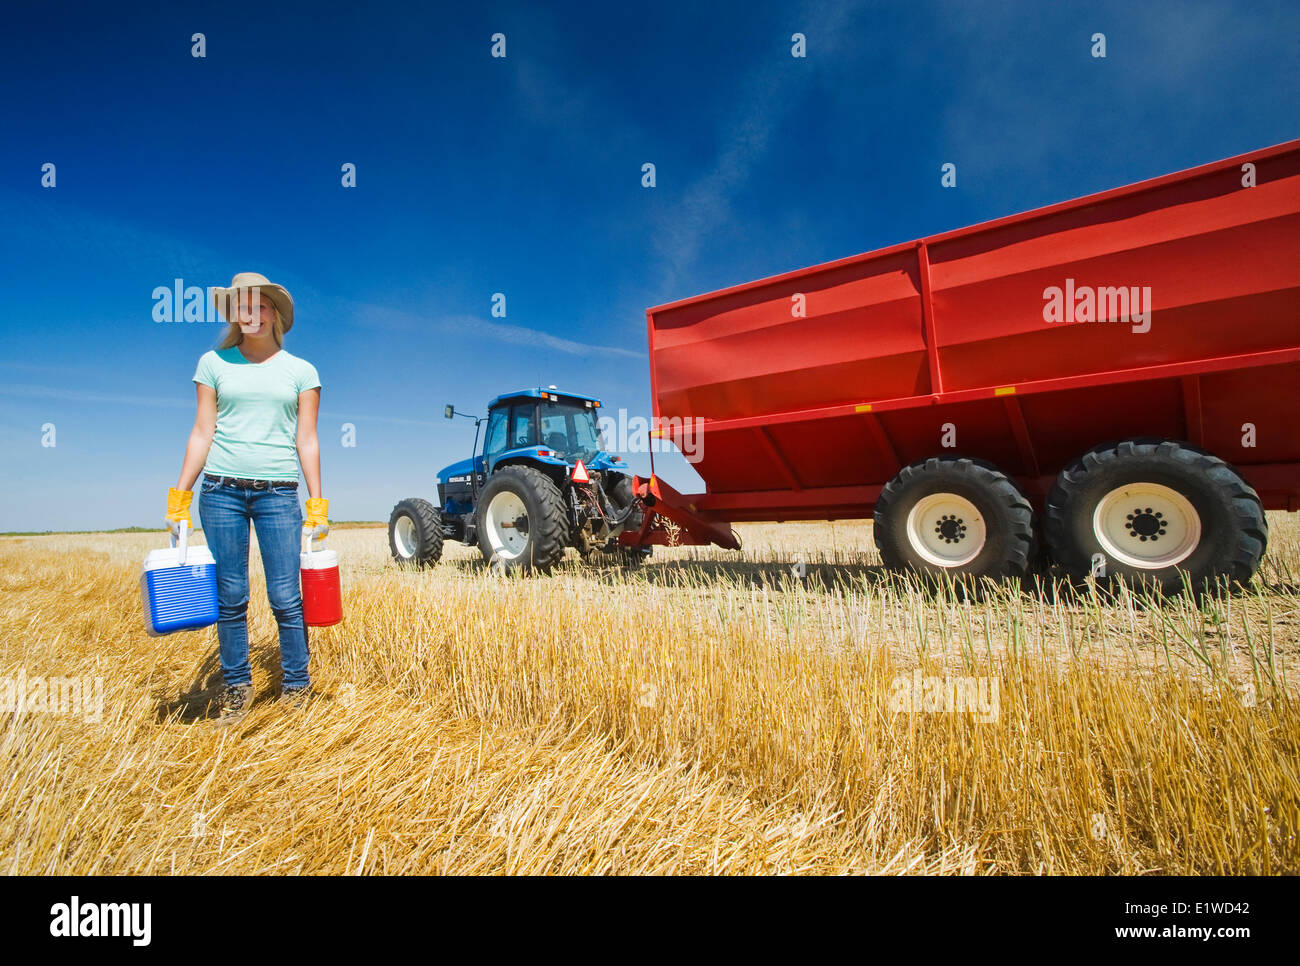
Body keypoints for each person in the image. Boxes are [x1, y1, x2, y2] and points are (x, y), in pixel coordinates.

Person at [164, 272, 329, 725]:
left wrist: (317, 503)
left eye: (259, 305)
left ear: (274, 313)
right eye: (242, 305)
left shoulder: (302, 372)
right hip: (220, 492)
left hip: (278, 494)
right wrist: (180, 494)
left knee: (285, 595)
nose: (251, 312)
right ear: (235, 313)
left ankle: (297, 689)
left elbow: (307, 440)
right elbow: (203, 430)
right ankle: (236, 692)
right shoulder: (213, 364)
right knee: (230, 594)